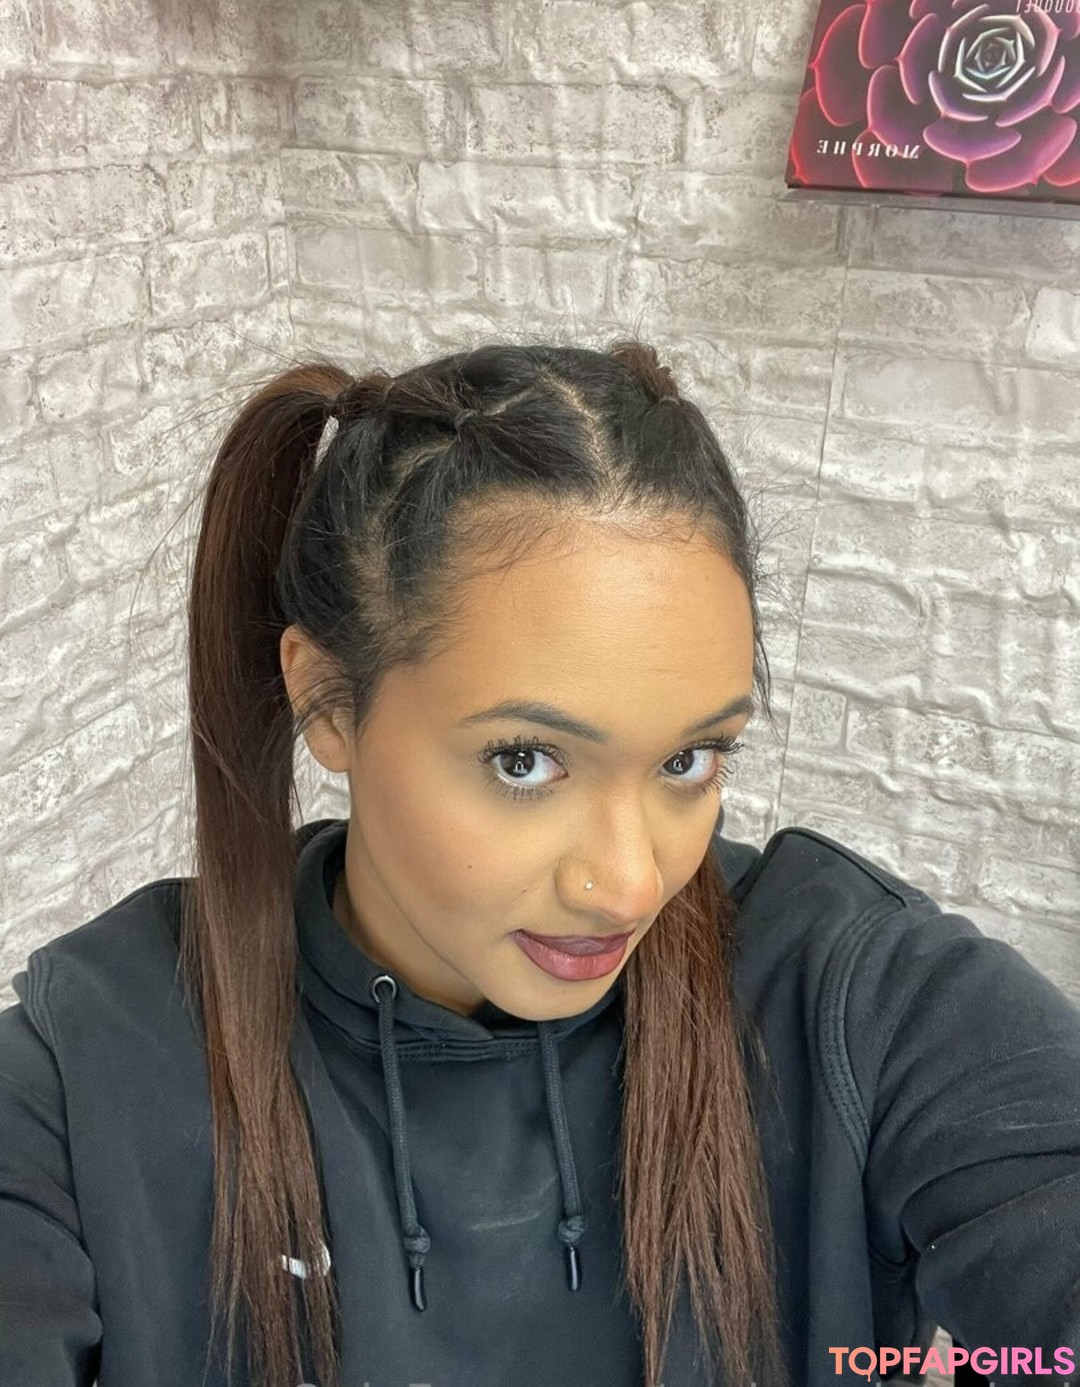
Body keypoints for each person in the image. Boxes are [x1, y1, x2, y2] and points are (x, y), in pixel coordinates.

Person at [1, 340, 1077, 1387]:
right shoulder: (85, 1074)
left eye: (689, 760)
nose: (632, 885)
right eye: (524, 760)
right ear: (326, 699)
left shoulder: (858, 1002)